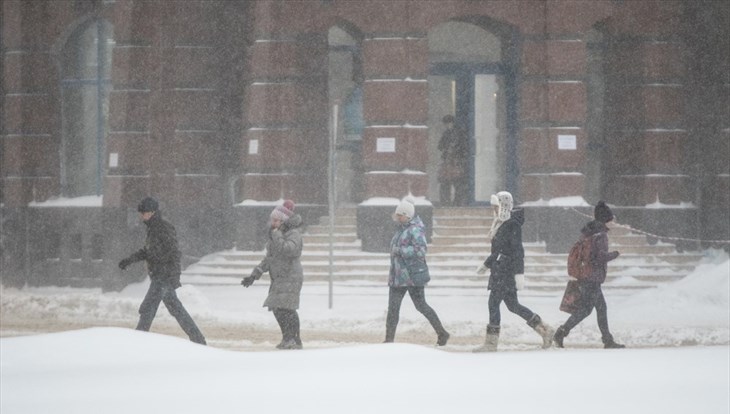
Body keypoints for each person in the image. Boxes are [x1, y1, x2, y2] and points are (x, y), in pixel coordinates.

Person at [118, 197, 206, 345]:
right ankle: (198, 340)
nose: (141, 216)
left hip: (164, 276)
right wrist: (129, 260)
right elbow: (148, 251)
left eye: (143, 212)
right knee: (176, 309)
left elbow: (172, 252)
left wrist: (170, 273)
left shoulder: (163, 227)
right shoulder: (153, 228)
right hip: (160, 275)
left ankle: (137, 340)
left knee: (148, 308)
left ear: (151, 212)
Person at [474, 191, 553, 352]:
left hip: (506, 272)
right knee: (513, 306)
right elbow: (498, 251)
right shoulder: (501, 223)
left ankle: (491, 343)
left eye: (496, 207)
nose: (494, 210)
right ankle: (545, 329)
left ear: (504, 206)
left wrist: (519, 274)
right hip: (499, 270)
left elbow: (517, 251)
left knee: (493, 304)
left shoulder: (512, 225)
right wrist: (486, 264)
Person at [553, 201, 625, 349]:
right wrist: (615, 254)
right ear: (606, 219)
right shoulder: (601, 235)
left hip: (586, 276)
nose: (612, 221)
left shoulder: (589, 231)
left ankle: (606, 339)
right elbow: (598, 257)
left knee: (598, 308)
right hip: (592, 278)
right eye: (611, 218)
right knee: (586, 310)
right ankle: (562, 332)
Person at [385, 197, 450, 346]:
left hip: (412, 276)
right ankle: (389, 340)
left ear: (406, 215)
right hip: (398, 276)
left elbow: (421, 250)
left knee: (421, 306)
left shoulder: (415, 229)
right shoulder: (402, 229)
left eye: (399, 215)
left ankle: (442, 333)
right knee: (393, 310)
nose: (397, 218)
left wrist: (400, 250)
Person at [241, 200, 304, 350]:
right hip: (280, 277)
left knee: (286, 308)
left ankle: (293, 340)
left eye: (276, 220)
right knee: (278, 307)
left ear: (283, 220)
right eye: (272, 220)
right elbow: (270, 258)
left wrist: (277, 236)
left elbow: (289, 250)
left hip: (290, 275)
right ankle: (289, 339)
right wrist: (254, 275)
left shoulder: (293, 234)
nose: (273, 223)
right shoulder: (277, 235)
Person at [437, 115, 470, 206]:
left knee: (453, 182)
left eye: (448, 123)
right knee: (453, 182)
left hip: (454, 161)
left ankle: (451, 202)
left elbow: (440, 146)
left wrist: (452, 151)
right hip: (452, 161)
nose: (447, 125)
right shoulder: (453, 133)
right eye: (446, 124)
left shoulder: (456, 133)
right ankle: (451, 202)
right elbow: (440, 146)